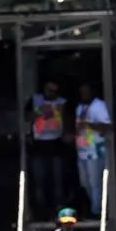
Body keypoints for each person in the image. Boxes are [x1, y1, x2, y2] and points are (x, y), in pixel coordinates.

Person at [24, 79, 69, 221]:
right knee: (39, 182)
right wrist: (40, 111)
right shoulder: (35, 100)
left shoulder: (62, 102)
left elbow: (68, 121)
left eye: (55, 92)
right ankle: (40, 213)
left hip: (56, 144)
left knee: (58, 182)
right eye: (50, 91)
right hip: (39, 146)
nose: (52, 94)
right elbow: (26, 117)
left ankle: (59, 211)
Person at [74, 82, 113, 219]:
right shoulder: (79, 107)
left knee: (95, 183)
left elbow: (107, 126)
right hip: (82, 150)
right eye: (82, 92)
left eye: (86, 91)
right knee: (85, 183)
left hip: (96, 151)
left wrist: (89, 125)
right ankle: (92, 206)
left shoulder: (99, 106)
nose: (84, 95)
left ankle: (96, 211)